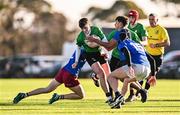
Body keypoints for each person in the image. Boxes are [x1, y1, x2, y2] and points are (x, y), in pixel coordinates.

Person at [90, 16, 141, 98]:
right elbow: (106, 44)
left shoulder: (120, 33)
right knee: (115, 76)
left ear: (120, 24)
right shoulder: (119, 33)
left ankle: (116, 96)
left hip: (125, 59)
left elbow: (108, 46)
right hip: (117, 58)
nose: (114, 24)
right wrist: (103, 51)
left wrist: (95, 41)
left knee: (117, 77)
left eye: (116, 22)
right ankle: (113, 96)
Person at [13, 48, 87, 104]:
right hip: (70, 74)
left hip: (64, 70)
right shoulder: (87, 50)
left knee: (47, 89)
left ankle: (24, 95)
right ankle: (59, 97)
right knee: (81, 95)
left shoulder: (80, 47)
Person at [107, 30, 155, 109]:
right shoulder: (138, 44)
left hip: (136, 67)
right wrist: (153, 75)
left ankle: (117, 94)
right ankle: (120, 100)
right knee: (126, 80)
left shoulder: (123, 42)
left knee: (110, 76)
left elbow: (126, 51)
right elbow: (152, 60)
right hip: (147, 70)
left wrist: (129, 66)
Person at [76, 18, 112, 101]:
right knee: (102, 74)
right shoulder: (81, 36)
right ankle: (109, 96)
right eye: (82, 29)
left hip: (99, 52)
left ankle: (95, 77)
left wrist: (105, 51)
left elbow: (104, 40)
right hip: (89, 55)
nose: (84, 30)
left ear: (89, 25)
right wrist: (76, 61)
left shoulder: (96, 30)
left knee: (108, 74)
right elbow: (78, 47)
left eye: (86, 28)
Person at [126, 10, 149, 102]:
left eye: (132, 17)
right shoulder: (126, 27)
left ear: (136, 17)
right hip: (129, 53)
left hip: (139, 54)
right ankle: (132, 94)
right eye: (129, 17)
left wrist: (138, 44)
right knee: (129, 74)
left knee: (138, 75)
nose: (130, 18)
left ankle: (140, 92)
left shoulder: (140, 27)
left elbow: (145, 41)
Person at [145, 13, 170, 87]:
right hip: (147, 55)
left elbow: (167, 43)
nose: (151, 21)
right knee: (143, 74)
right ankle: (139, 92)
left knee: (151, 75)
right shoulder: (146, 29)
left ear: (157, 20)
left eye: (153, 19)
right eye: (149, 19)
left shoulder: (162, 30)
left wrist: (156, 45)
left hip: (157, 57)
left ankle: (144, 91)